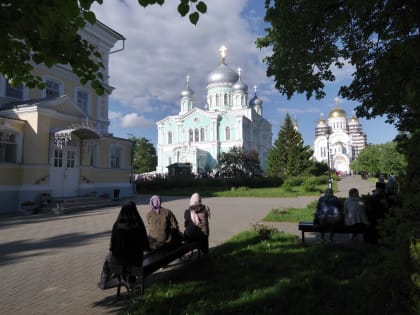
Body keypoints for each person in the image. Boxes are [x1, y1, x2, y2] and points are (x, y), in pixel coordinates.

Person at [98, 200, 149, 290]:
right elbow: (145, 244)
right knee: (136, 257)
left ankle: (104, 282)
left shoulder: (117, 225)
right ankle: (130, 280)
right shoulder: (139, 224)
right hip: (136, 265)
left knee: (109, 257)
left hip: (119, 266)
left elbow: (112, 245)